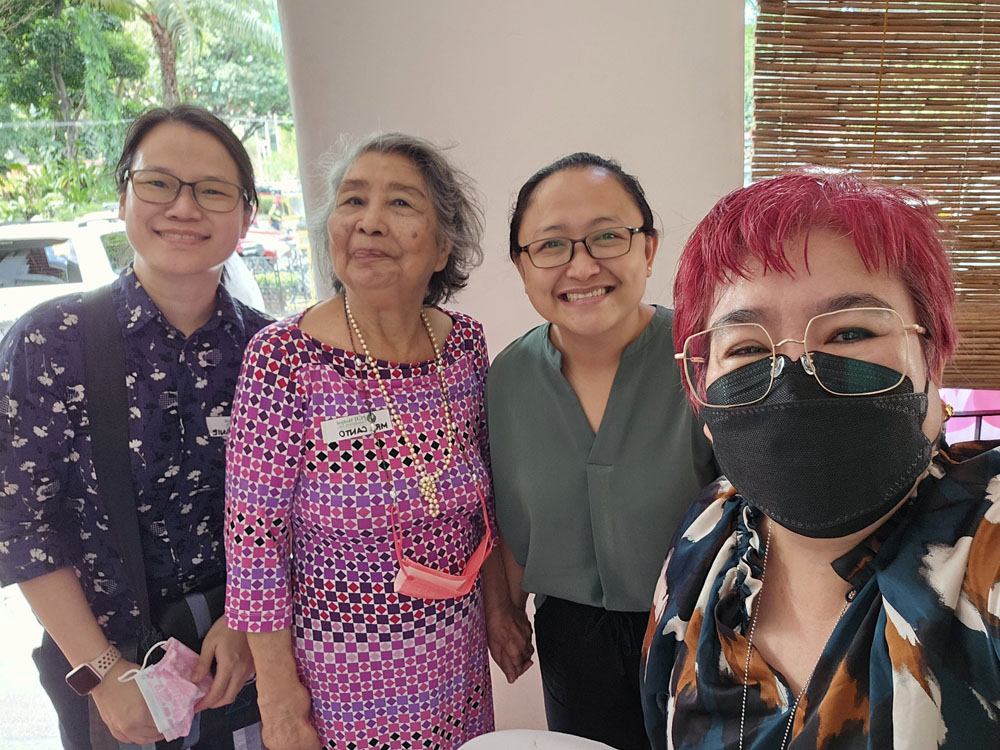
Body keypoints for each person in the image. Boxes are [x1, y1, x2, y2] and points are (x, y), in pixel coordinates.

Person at [640, 171, 1000, 748]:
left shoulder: (987, 544)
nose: (794, 379)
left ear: (931, 364)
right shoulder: (704, 544)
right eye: (748, 348)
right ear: (704, 398)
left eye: (850, 333)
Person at [224, 133, 533, 750]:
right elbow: (253, 541)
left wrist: (500, 608)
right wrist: (279, 700)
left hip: (456, 661)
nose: (369, 222)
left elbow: (486, 498)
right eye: (352, 200)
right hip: (340, 678)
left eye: (400, 203)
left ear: (443, 245)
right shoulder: (284, 358)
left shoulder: (464, 346)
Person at [0, 105, 271, 748]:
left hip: (250, 658)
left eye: (213, 191)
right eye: (158, 183)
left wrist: (248, 623)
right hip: (110, 668)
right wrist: (101, 672)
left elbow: (295, 513)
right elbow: (22, 523)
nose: (183, 207)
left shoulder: (269, 352)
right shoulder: (51, 340)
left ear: (245, 218)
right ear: (123, 198)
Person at [488, 153, 717, 749]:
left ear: (648, 248)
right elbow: (510, 514)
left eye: (607, 237)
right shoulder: (507, 378)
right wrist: (504, 610)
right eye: (551, 245)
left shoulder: (707, 359)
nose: (582, 265)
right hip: (573, 642)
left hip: (705, 628)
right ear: (521, 266)